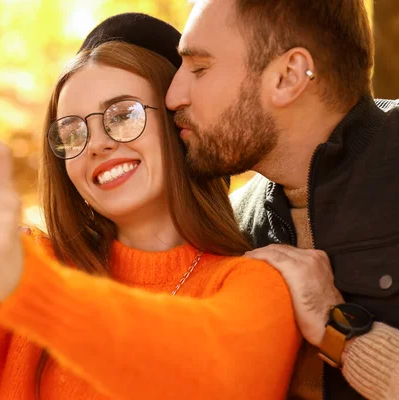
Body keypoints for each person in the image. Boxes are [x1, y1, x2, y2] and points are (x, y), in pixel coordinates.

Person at [0, 13, 300, 400]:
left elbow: (202, 374)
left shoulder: (255, 286)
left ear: (179, 126)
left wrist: (27, 289)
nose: (98, 144)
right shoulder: (33, 261)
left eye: (122, 114)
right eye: (73, 131)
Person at [165, 1, 399, 399]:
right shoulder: (233, 226)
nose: (173, 96)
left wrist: (338, 328)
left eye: (200, 68)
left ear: (288, 77)